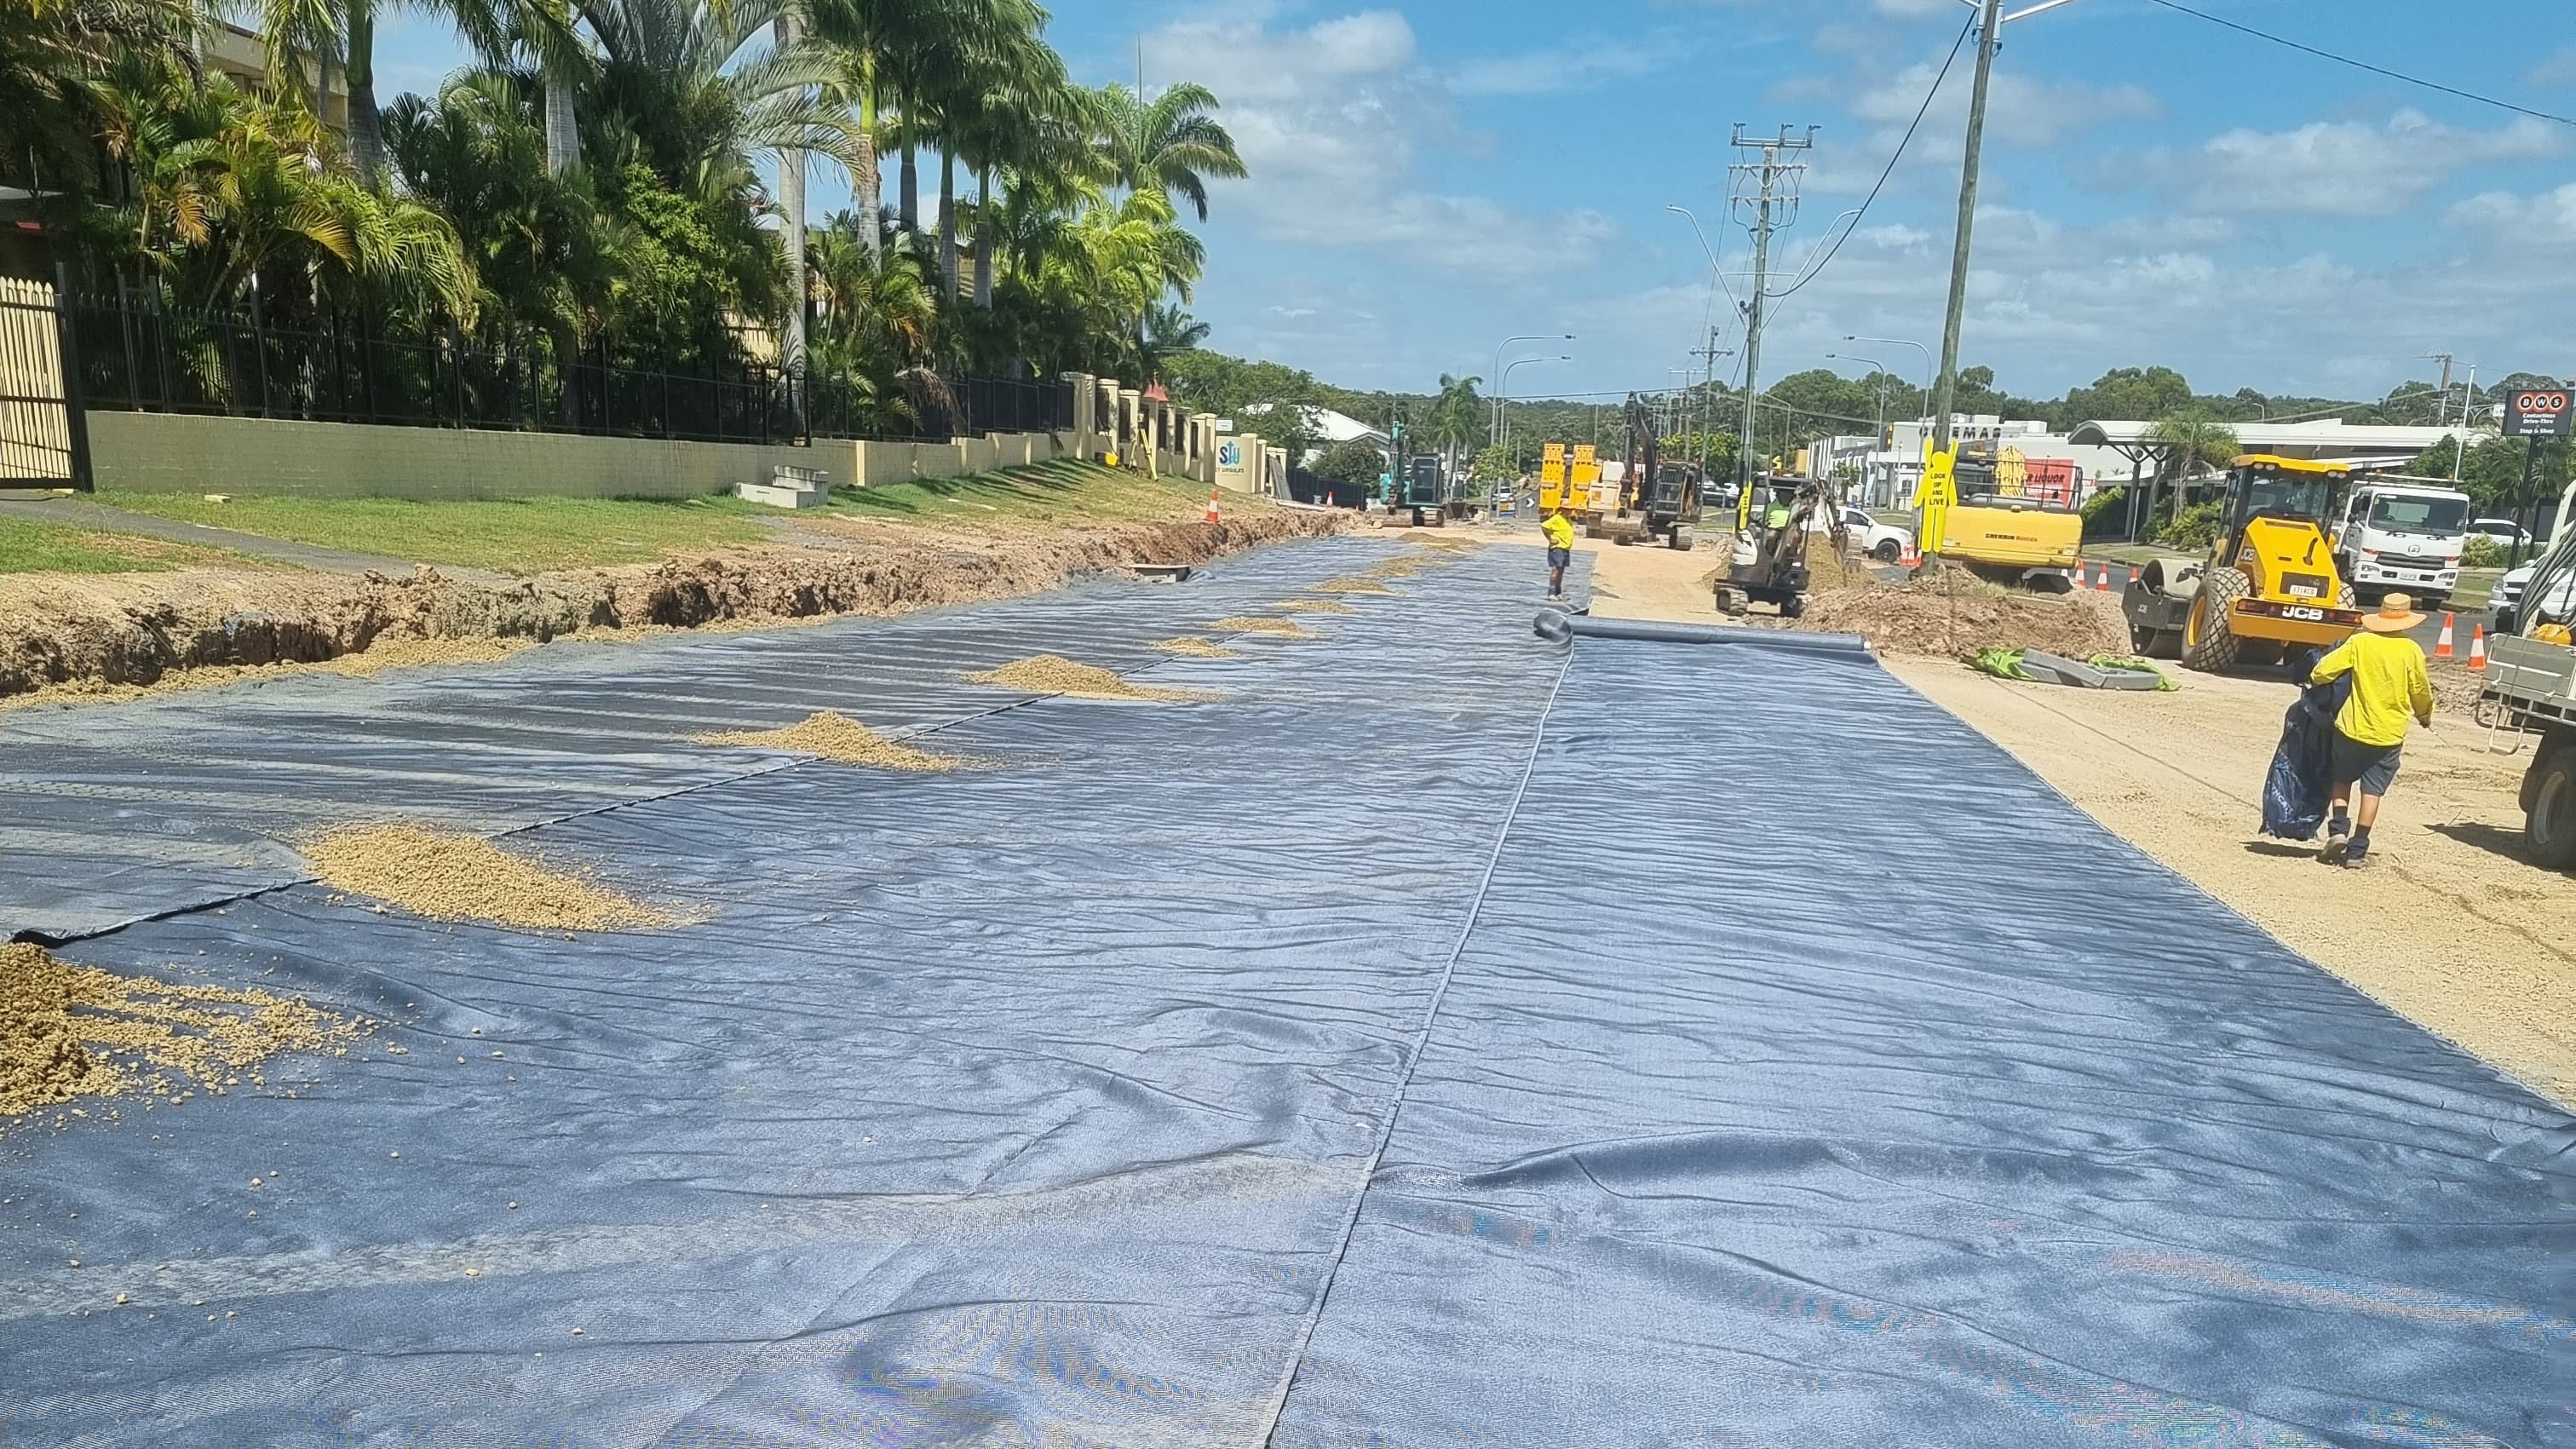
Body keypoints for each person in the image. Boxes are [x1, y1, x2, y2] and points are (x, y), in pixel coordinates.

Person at [2308, 592, 2435, 867]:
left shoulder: (2360, 642)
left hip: (2351, 728)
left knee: (2342, 780)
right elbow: (2420, 691)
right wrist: (2424, 715)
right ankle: (2357, 852)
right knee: (2372, 791)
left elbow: (2322, 672)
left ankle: (2338, 832)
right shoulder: (2411, 650)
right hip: (2389, 735)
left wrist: (2318, 682)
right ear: (2407, 621)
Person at [1541, 507, 1575, 600]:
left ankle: (1558, 592)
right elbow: (1544, 526)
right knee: (1556, 570)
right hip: (1557, 548)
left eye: (1571, 510)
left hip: (1565, 548)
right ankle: (1551, 593)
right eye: (1568, 509)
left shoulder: (1568, 520)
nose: (1570, 511)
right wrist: (1550, 539)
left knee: (1561, 571)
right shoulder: (1557, 518)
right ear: (1562, 510)